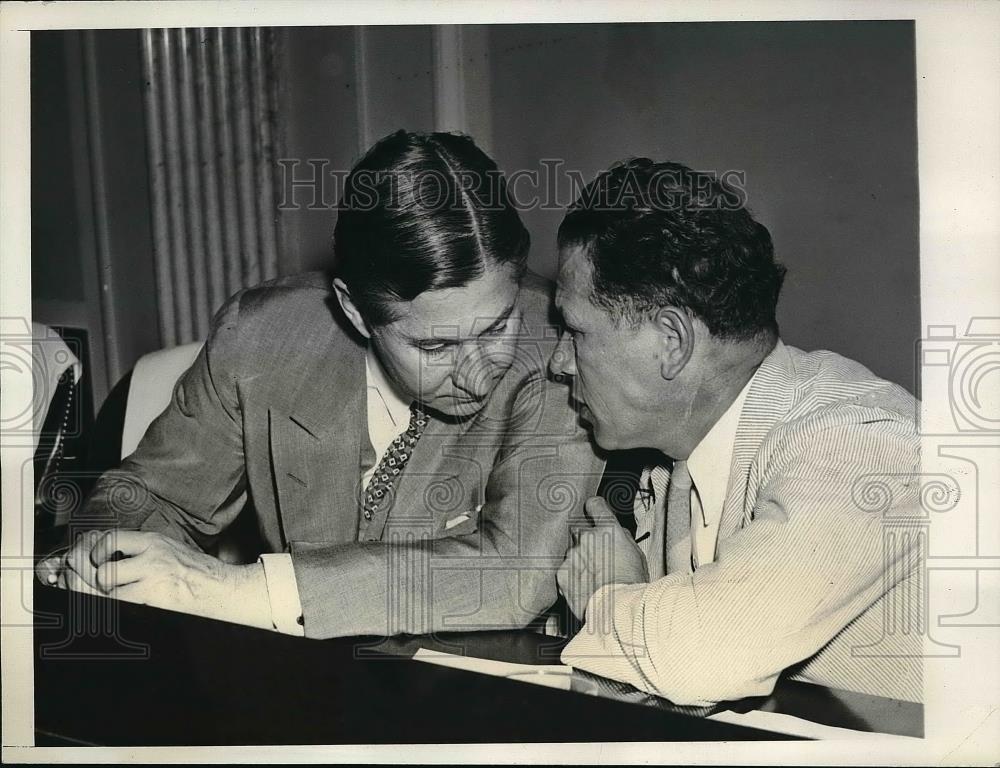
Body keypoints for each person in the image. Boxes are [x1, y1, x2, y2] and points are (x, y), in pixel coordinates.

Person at [38, 130, 604, 639]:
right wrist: (104, 553)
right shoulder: (262, 337)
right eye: (436, 346)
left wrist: (230, 589)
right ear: (356, 314)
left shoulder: (559, 350)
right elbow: (150, 494)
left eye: (498, 324)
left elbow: (516, 573)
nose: (479, 366)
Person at [550, 158, 921, 705]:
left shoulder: (858, 441)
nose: (559, 361)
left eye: (575, 332)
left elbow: (704, 657)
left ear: (671, 341)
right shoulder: (675, 456)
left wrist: (607, 594)